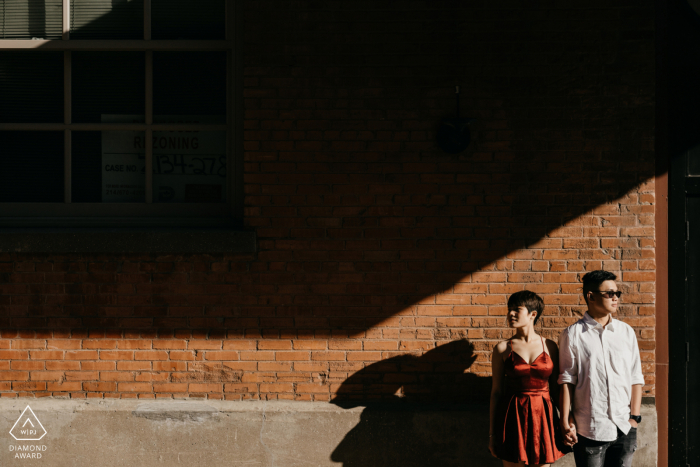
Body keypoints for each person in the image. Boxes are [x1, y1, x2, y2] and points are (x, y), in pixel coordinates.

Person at [558, 270, 645, 467]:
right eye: (609, 293)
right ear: (591, 296)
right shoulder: (573, 334)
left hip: (624, 428)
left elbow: (635, 376)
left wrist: (634, 419)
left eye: (617, 293)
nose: (615, 298)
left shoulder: (626, 332)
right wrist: (565, 421)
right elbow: (566, 380)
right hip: (590, 428)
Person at [489, 290, 566, 466]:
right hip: (512, 417)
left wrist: (565, 422)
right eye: (509, 309)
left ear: (533, 314)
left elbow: (556, 389)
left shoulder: (550, 346)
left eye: (517, 309)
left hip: (544, 415)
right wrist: (492, 435)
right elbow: (496, 393)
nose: (510, 314)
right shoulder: (502, 348)